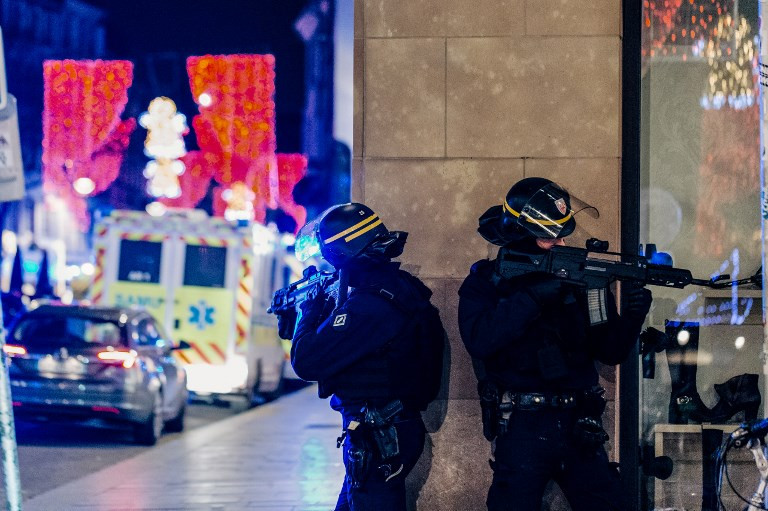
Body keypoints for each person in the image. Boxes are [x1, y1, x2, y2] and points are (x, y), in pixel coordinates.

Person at [458, 177, 652, 511]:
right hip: (522, 423)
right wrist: (532, 298)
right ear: (521, 234)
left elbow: (610, 351)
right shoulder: (488, 281)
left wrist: (633, 317)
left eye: (562, 235)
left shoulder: (582, 279)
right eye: (549, 238)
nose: (560, 244)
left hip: (579, 422)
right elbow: (481, 340)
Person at [276, 203, 445, 511]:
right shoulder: (393, 288)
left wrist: (308, 313)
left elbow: (306, 361)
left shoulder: (370, 305)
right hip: (384, 428)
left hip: (380, 434)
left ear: (340, 252)